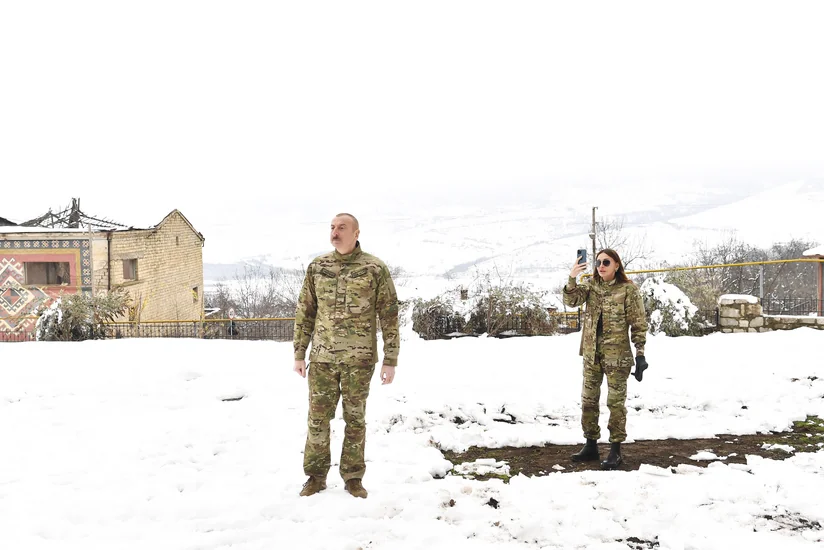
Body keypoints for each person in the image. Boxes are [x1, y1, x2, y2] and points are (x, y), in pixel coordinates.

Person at [293, 213, 400, 498]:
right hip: (323, 358)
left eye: (341, 228)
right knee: (317, 419)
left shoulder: (375, 268)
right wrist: (299, 352)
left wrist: (391, 359)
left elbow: (389, 315)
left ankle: (353, 477)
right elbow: (305, 312)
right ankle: (315, 477)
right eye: (331, 227)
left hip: (360, 360)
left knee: (355, 420)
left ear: (356, 233)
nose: (335, 232)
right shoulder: (318, 267)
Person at [563, 248, 648, 469]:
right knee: (588, 401)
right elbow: (571, 300)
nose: (601, 266)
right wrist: (572, 277)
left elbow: (638, 323)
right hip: (592, 355)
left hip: (617, 357)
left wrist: (640, 355)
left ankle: (615, 450)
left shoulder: (628, 290)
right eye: (599, 262)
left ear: (617, 265)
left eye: (606, 262)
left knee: (615, 404)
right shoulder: (591, 286)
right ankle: (590, 444)